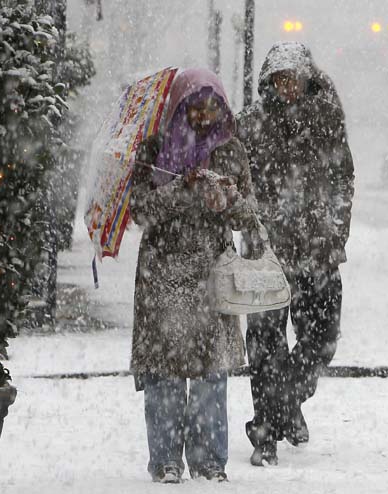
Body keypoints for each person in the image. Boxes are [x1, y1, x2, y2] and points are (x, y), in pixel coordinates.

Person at [130, 68, 258, 483]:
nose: (204, 114)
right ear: (179, 105)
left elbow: (248, 213)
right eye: (195, 105)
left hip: (210, 275)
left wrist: (226, 198)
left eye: (212, 105)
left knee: (210, 373)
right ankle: (165, 458)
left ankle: (209, 461)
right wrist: (179, 191)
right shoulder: (153, 148)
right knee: (164, 372)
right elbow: (141, 211)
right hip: (162, 274)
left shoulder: (231, 151)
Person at [236, 42, 355, 466]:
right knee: (265, 343)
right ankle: (265, 431)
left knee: (321, 340)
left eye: (293, 78)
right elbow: (234, 180)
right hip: (267, 255)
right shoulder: (249, 124)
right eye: (279, 78)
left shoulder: (326, 119)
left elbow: (343, 178)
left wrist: (336, 230)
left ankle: (286, 403)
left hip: (319, 252)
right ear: (269, 81)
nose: (287, 86)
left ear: (307, 79)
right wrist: (248, 220)